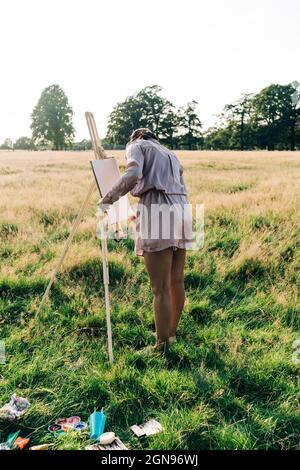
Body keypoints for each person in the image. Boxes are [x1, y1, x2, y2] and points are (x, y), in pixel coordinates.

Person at [100, 128, 192, 352]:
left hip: (159, 213)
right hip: (183, 211)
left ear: (136, 137)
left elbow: (133, 176)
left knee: (159, 287)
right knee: (176, 281)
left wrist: (108, 198)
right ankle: (170, 334)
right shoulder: (170, 153)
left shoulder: (137, 146)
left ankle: (161, 346)